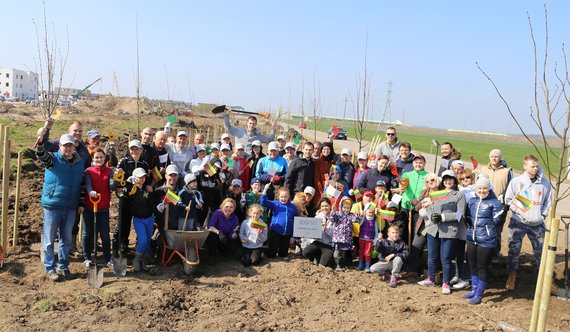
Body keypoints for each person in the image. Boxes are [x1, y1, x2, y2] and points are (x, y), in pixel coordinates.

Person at [36, 134, 84, 282]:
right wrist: (41, 141)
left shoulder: (79, 163)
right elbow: (41, 154)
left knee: (66, 239)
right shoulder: (53, 159)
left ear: (74, 147)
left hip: (70, 206)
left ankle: (63, 267)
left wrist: (81, 203)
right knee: (50, 239)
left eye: (70, 145)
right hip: (53, 205)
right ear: (60, 146)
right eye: (65, 145)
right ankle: (50, 268)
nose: (68, 148)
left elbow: (82, 184)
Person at [504, 154, 551, 291]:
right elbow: (508, 200)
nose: (535, 169)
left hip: (537, 224)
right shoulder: (517, 182)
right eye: (532, 166)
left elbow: (548, 202)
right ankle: (512, 275)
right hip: (518, 223)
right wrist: (521, 212)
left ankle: (544, 280)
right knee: (514, 250)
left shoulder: (545, 184)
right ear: (525, 166)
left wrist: (542, 215)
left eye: (537, 166)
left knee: (541, 252)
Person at [418, 170, 466, 295]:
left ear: (454, 181)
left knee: (446, 258)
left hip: (449, 230)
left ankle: (446, 282)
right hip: (434, 229)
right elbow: (431, 208)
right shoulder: (438, 193)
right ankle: (431, 278)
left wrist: (443, 217)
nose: (448, 182)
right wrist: (430, 214)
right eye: (445, 179)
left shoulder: (459, 195)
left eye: (450, 179)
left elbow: (460, 214)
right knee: (432, 256)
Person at [464, 176, 503, 304]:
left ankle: (479, 294)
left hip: (486, 240)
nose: (481, 190)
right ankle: (474, 289)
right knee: (472, 264)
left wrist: (502, 212)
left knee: (482, 267)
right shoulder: (472, 201)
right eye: (479, 188)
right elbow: (469, 216)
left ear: (489, 189)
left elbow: (497, 221)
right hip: (472, 237)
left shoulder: (494, 202)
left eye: (484, 188)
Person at [113, 140, 151, 254]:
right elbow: (116, 179)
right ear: (129, 150)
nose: (134, 151)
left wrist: (148, 187)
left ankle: (142, 243)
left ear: (141, 150)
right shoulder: (123, 162)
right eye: (132, 149)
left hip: (138, 197)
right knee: (124, 220)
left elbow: (147, 180)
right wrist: (123, 183)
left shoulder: (144, 164)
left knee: (141, 219)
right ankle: (121, 244)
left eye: (137, 149)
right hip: (126, 196)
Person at [82, 148, 116, 271]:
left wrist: (115, 181)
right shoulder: (88, 171)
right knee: (88, 233)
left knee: (105, 234)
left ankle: (108, 258)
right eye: (96, 157)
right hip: (89, 206)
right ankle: (87, 257)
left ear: (104, 158)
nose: (99, 159)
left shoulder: (109, 171)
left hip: (103, 207)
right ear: (92, 159)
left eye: (101, 157)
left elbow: (112, 184)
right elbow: (88, 183)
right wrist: (90, 191)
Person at [479, 149, 513, 261]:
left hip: (499, 205)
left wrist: (504, 196)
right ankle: (483, 253)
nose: (494, 158)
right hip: (484, 204)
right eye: (492, 156)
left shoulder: (507, 171)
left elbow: (511, 187)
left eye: (496, 156)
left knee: (496, 231)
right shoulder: (483, 169)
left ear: (500, 158)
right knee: (483, 229)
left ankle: (495, 255)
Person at [406, 173, 440, 275]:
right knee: (416, 245)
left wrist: (432, 201)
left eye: (432, 180)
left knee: (433, 250)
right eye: (427, 181)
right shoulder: (424, 191)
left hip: (436, 225)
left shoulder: (442, 192)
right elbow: (417, 208)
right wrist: (423, 201)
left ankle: (433, 273)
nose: (430, 182)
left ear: (437, 180)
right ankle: (412, 270)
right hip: (423, 224)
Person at [128, 167, 155, 272]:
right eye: (140, 177)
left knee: (148, 241)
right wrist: (129, 182)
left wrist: (151, 193)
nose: (142, 179)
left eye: (143, 176)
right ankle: (137, 258)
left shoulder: (146, 189)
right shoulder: (132, 189)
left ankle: (143, 260)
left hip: (149, 218)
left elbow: (151, 203)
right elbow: (125, 191)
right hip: (139, 219)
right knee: (142, 240)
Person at [261, 184, 298, 259]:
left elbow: (296, 221)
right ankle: (261, 249)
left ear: (289, 196)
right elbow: (263, 202)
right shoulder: (275, 204)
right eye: (282, 197)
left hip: (287, 234)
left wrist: (293, 236)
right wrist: (265, 190)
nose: (283, 198)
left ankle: (281, 251)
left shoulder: (293, 207)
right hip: (275, 231)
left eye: (285, 197)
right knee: (271, 254)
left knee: (283, 254)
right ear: (278, 197)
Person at [303, 197, 335, 267]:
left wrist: (326, 229)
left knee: (323, 265)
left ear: (330, 206)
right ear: (320, 207)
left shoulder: (335, 218)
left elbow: (334, 235)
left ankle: (327, 258)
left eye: (326, 206)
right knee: (306, 253)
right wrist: (305, 234)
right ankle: (317, 255)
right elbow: (312, 232)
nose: (324, 208)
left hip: (328, 245)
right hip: (317, 242)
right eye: (322, 206)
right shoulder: (317, 217)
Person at [331, 197, 356, 270]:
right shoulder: (338, 214)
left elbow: (355, 220)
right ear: (341, 207)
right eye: (344, 207)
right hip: (338, 237)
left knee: (343, 252)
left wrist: (357, 213)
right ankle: (337, 265)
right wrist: (333, 211)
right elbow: (332, 219)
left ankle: (341, 264)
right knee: (337, 251)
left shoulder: (351, 215)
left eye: (348, 208)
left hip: (346, 237)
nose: (346, 209)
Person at [357, 203, 379, 272]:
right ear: (366, 211)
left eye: (372, 212)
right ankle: (360, 264)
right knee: (361, 252)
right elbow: (359, 224)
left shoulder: (374, 221)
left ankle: (367, 265)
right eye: (369, 212)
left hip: (370, 239)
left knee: (367, 253)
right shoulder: (363, 219)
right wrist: (359, 215)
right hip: (362, 238)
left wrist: (376, 238)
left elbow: (376, 231)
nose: (371, 214)